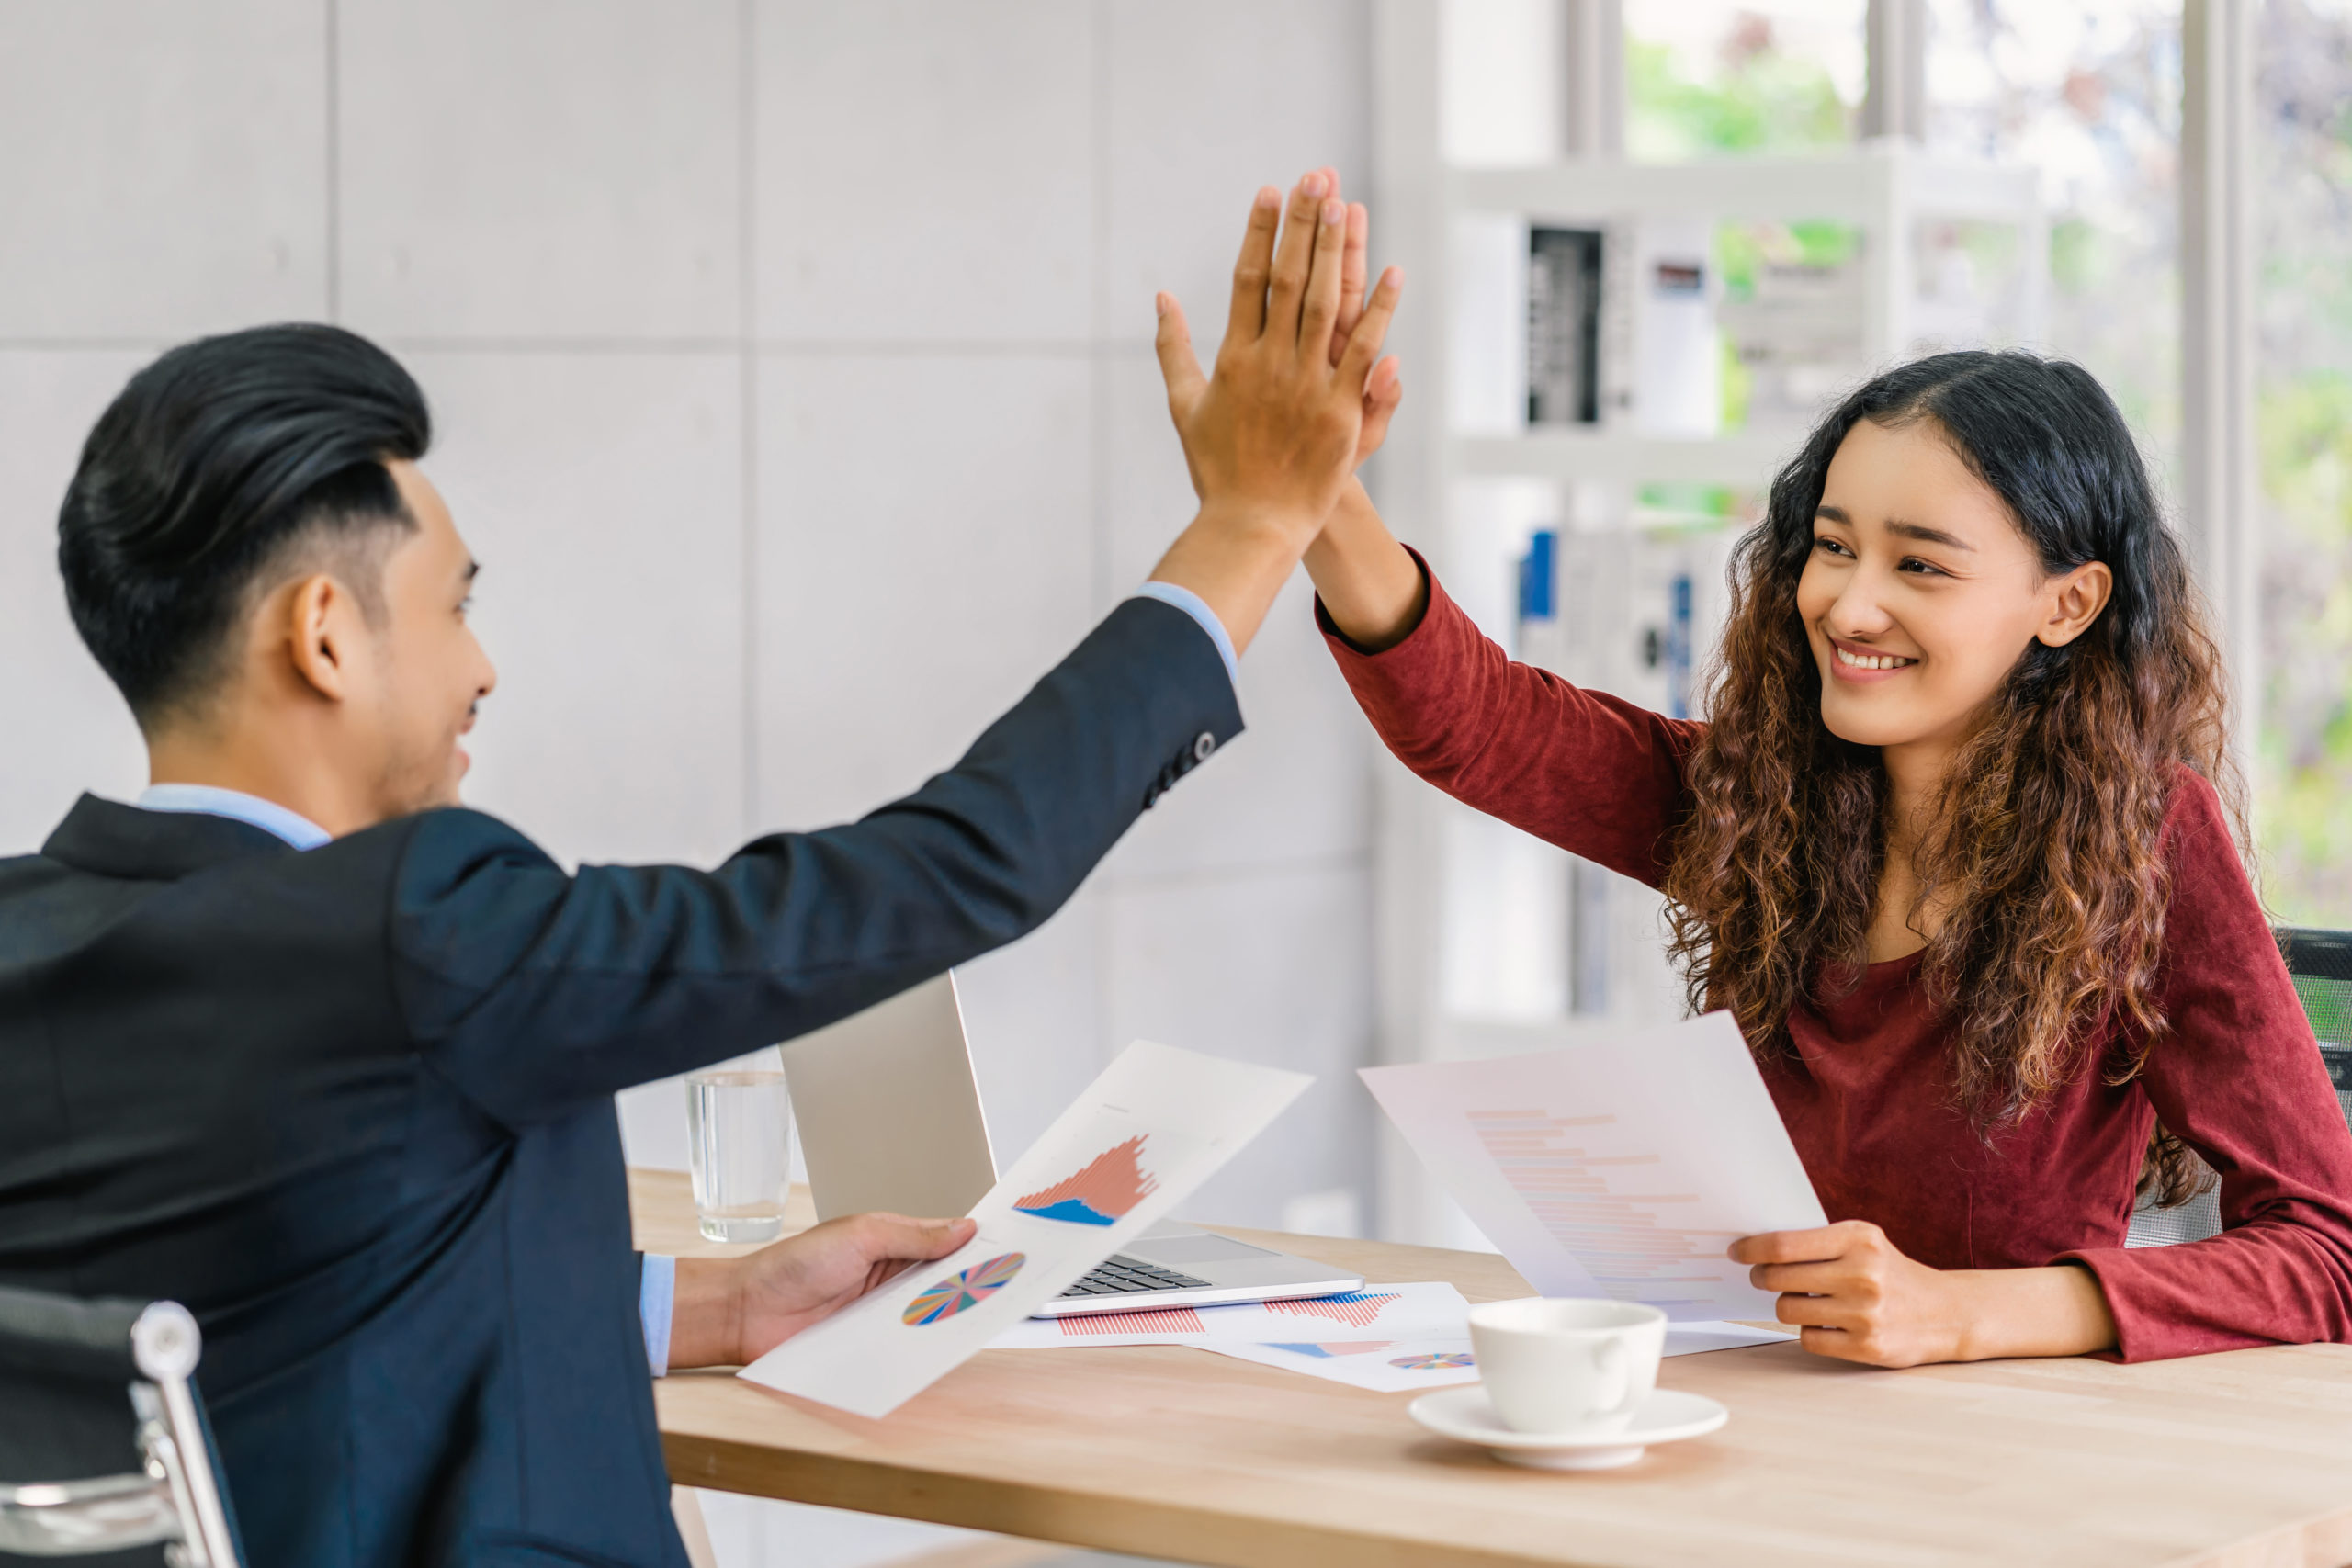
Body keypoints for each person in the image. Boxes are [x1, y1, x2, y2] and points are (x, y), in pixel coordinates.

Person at [0, 169, 1401, 1567]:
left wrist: (713, 1307)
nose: (483, 668)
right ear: (325, 636)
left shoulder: (27, 937)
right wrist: (1250, 528)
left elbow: (289, 1315)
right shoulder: (410, 930)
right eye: (456, 606)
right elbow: (947, 874)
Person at [1165, 331, 2352, 1367]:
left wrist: (1962, 1315)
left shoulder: (2147, 844)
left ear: (2068, 604)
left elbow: (2325, 1254)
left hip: (1993, 1437)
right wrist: (1312, 497)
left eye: (1920, 565)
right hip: (1743, 1391)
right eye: (1833, 547)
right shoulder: (1764, 797)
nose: (1847, 604)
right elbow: (1478, 722)